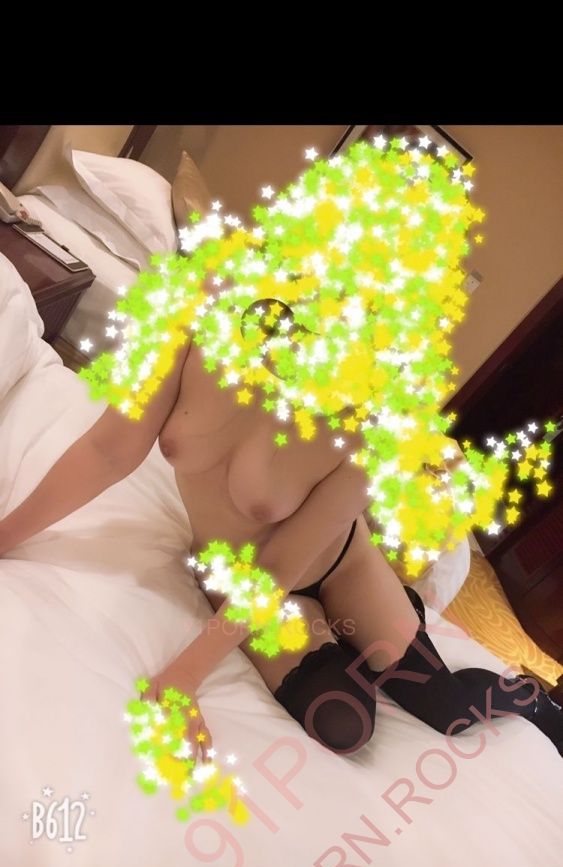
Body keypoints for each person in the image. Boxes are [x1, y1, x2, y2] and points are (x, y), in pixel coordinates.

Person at [1, 139, 561, 760]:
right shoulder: (203, 307)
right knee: (344, 724)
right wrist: (4, 536)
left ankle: (532, 699)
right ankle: (366, 640)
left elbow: (280, 566)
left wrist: (181, 678)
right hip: (241, 571)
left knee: (445, 706)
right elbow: (110, 451)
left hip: (340, 564)